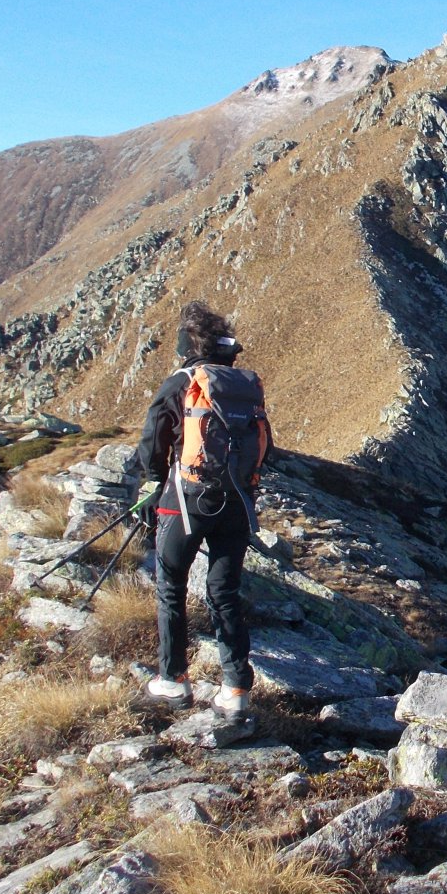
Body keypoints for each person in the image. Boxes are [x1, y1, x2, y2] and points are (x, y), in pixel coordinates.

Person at [136, 300, 272, 719]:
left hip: (185, 502)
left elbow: (152, 446)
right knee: (225, 593)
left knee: (171, 588)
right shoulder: (243, 386)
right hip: (237, 501)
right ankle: (235, 690)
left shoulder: (180, 382)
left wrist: (151, 485)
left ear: (186, 345)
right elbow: (266, 447)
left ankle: (173, 680)